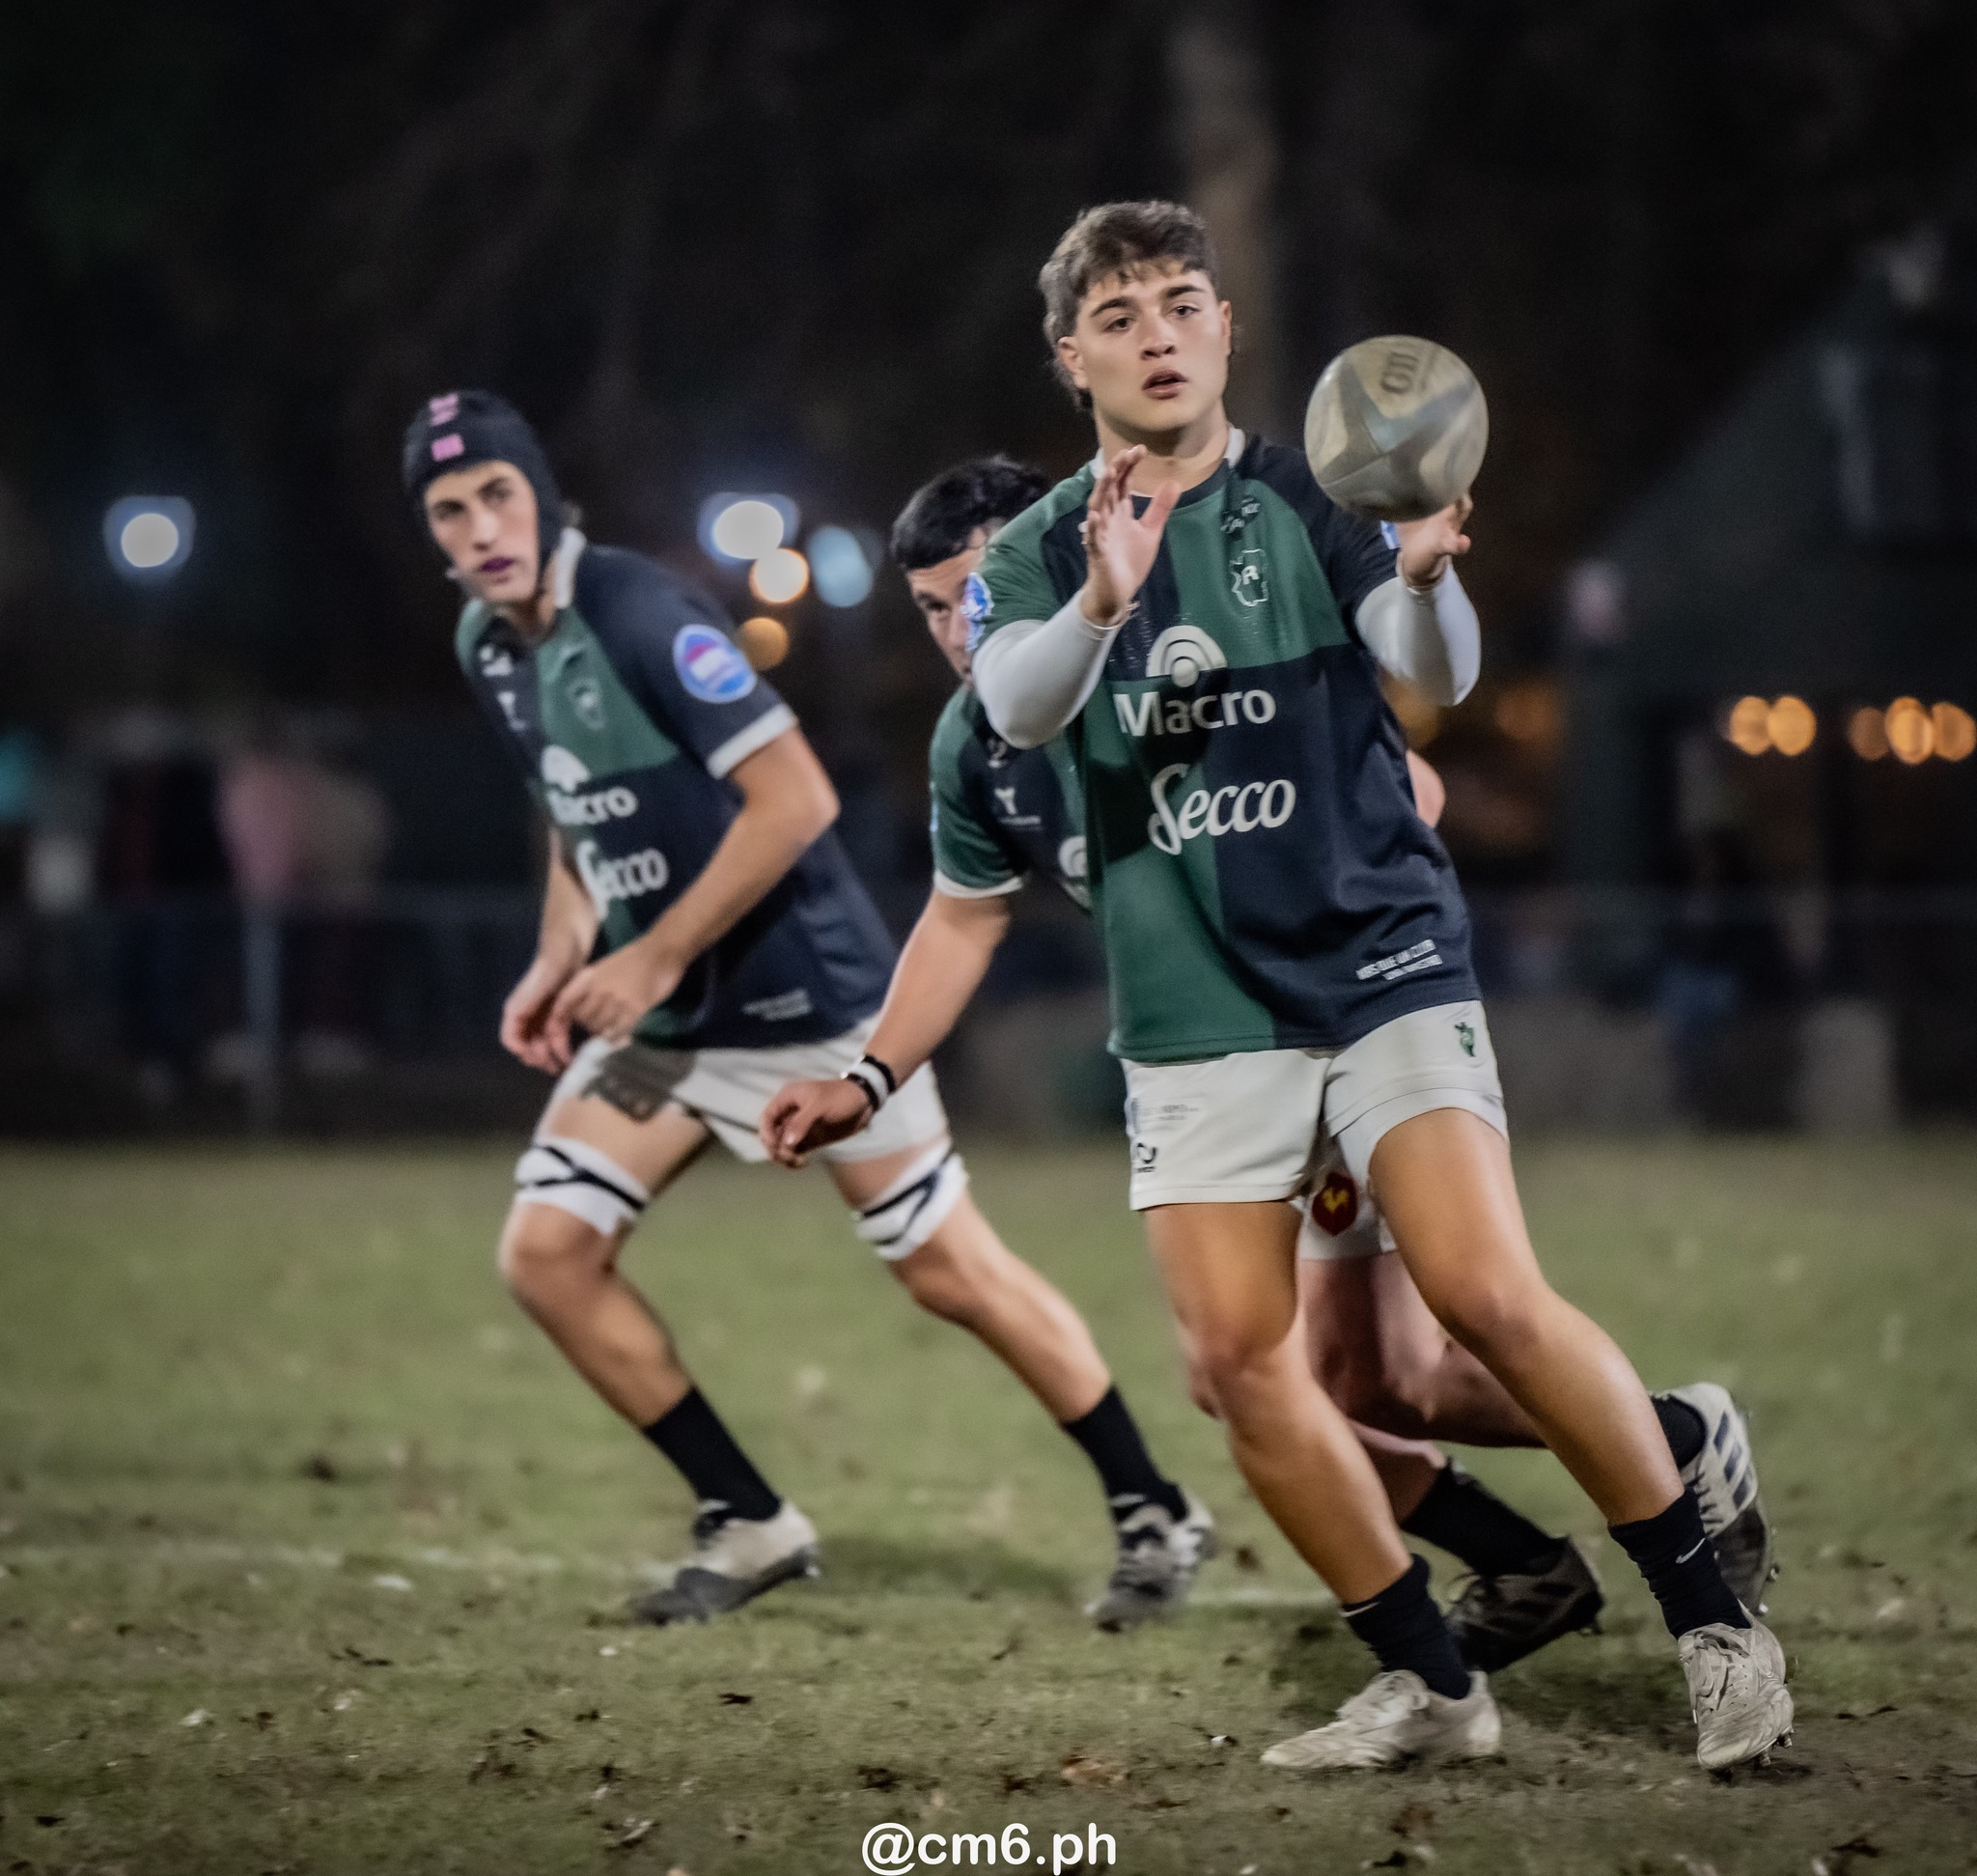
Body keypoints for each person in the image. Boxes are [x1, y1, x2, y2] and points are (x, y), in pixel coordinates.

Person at [794, 201, 1792, 1775]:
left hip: (1378, 964)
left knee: (1479, 1296)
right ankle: (1436, 1678)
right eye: (1119, 314)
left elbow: (1435, 666)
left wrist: (1422, 567)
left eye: (1182, 301)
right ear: (1071, 356)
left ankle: (1714, 1625)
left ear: (1222, 326)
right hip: (1200, 1023)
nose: (1160, 331)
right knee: (1260, 1368)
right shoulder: (1049, 555)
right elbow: (1013, 706)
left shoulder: (1307, 491)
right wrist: (1103, 599)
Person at [402, 389, 1208, 1629]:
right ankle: (749, 1517)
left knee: (951, 1273)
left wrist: (655, 955)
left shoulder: (636, 610)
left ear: (540, 495)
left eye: (496, 494)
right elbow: (570, 803)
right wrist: (558, 950)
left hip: (800, 1001)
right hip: (670, 1024)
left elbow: (792, 802)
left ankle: (1152, 1501)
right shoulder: (489, 642)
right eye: (450, 511)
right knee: (548, 1253)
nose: (479, 527)